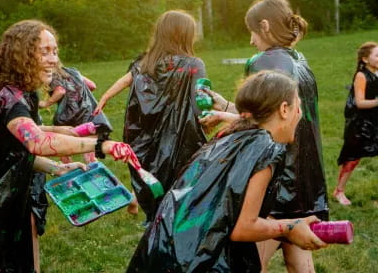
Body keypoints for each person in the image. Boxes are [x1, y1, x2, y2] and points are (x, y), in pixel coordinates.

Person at [0, 20, 137, 272]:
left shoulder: (22, 91)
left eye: (55, 51)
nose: (53, 59)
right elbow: (36, 142)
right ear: (21, 54)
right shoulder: (6, 96)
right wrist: (101, 145)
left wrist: (56, 168)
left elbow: (15, 154)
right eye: (44, 51)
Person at [127, 71, 327, 273]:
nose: (300, 114)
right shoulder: (266, 150)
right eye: (298, 107)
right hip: (195, 261)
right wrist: (290, 228)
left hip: (165, 247)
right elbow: (244, 228)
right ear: (284, 109)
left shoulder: (229, 137)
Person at [201, 0, 328, 273]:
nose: (251, 40)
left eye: (252, 31)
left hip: (274, 176)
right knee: (298, 257)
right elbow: (272, 114)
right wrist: (224, 106)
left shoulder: (262, 61)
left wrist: (224, 117)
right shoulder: (299, 59)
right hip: (305, 178)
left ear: (265, 26)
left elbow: (260, 124)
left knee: (249, 263)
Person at [96, 10, 207, 224]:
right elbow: (201, 102)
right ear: (184, 35)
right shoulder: (194, 65)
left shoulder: (145, 64)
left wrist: (105, 97)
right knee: (180, 197)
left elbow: (125, 80)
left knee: (155, 192)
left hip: (147, 142)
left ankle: (154, 226)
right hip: (184, 142)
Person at [39, 60, 111, 164]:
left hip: (69, 117)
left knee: (61, 147)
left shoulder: (52, 75)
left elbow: (60, 91)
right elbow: (92, 85)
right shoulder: (73, 71)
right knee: (89, 154)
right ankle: (97, 176)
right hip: (88, 113)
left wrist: (46, 103)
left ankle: (69, 170)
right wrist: (79, 94)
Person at [334, 41, 378, 205]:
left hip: (375, 121)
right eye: (377, 55)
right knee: (353, 158)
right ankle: (339, 191)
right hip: (360, 124)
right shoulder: (361, 75)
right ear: (366, 59)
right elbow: (360, 103)